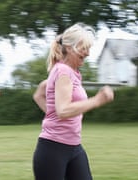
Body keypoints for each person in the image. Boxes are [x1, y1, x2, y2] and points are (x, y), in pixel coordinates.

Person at [32, 23, 114, 180]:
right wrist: (97, 100)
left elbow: (39, 93)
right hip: (53, 149)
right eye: (84, 48)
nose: (88, 53)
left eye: (89, 48)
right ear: (69, 48)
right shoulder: (63, 71)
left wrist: (51, 114)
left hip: (74, 147)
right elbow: (63, 110)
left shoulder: (70, 72)